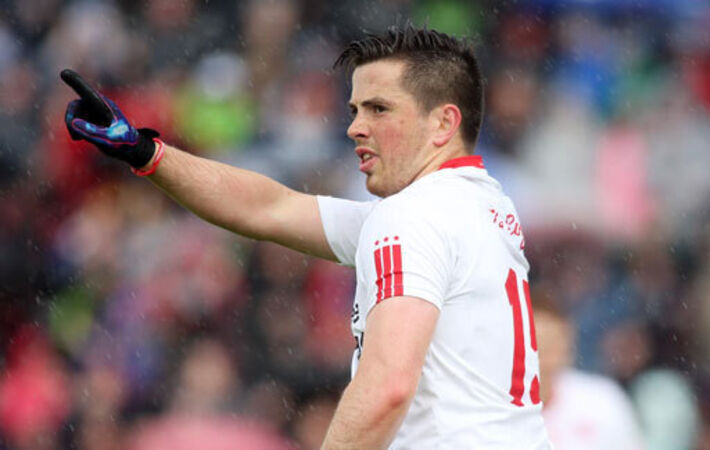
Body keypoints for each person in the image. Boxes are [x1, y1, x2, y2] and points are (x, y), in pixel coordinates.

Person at [61, 24, 549, 449]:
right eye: (355, 109)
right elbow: (271, 208)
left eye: (379, 109)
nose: (355, 127)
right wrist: (147, 152)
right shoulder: (481, 206)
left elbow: (387, 386)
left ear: (444, 122)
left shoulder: (413, 216)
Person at [534, 294, 643, 450]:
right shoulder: (499, 411)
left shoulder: (603, 400)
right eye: (538, 344)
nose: (544, 358)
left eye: (552, 342)